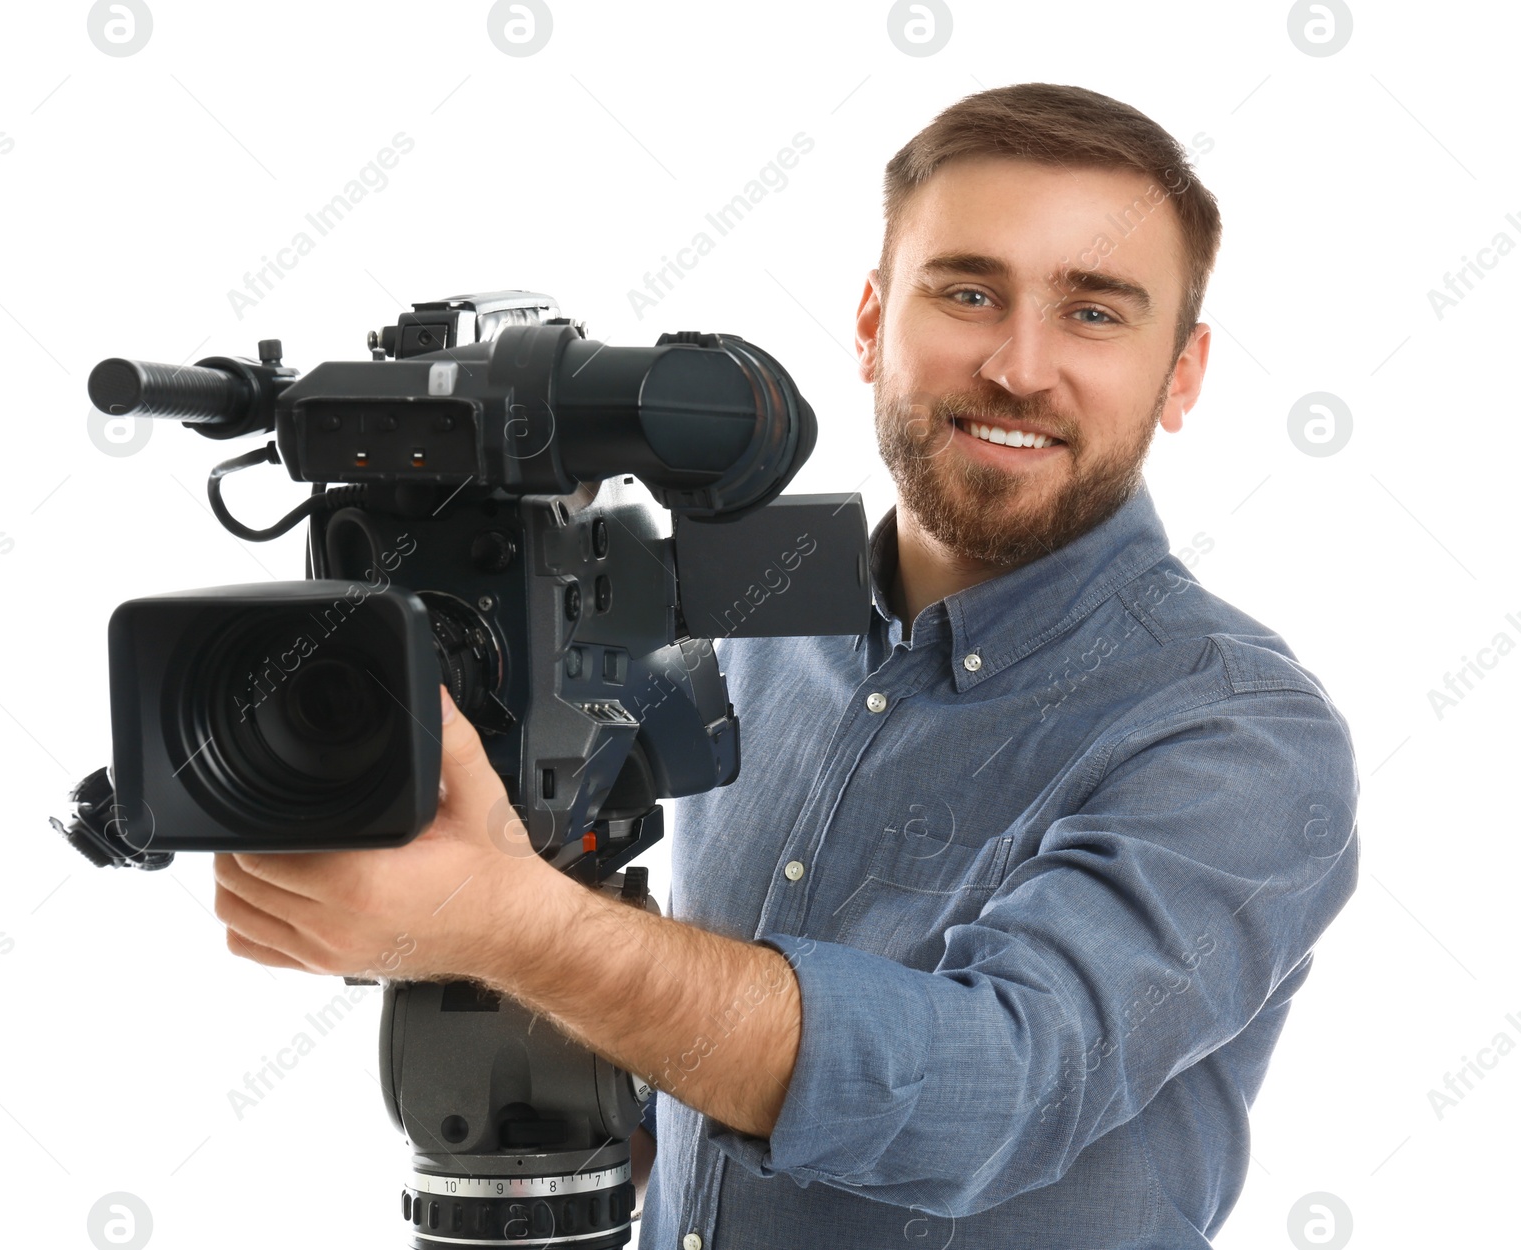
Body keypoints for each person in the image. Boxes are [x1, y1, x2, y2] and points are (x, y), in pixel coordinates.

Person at [213, 82, 1359, 1249]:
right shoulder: (740, 623)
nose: (1019, 367)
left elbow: (988, 1094)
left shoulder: (1236, 732)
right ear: (870, 321)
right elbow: (674, 1044)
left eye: (1095, 314)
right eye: (966, 292)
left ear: (1183, 373)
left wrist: (511, 923)